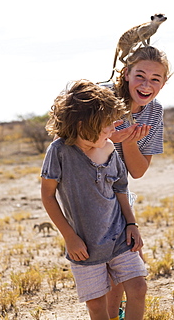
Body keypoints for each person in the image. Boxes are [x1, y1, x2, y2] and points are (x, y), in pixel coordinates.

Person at [40, 79, 148, 320]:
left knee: (139, 288)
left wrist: (132, 224)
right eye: (106, 126)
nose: (112, 131)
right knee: (97, 306)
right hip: (85, 247)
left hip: (120, 236)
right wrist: (70, 237)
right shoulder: (59, 152)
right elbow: (48, 195)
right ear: (82, 125)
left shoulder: (108, 148)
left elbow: (121, 188)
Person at [105, 46, 172, 320]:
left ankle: (117, 314)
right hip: (89, 190)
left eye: (155, 79)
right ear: (125, 74)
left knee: (128, 266)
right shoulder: (103, 101)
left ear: (163, 83)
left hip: (121, 191)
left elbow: (138, 171)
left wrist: (130, 141)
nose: (147, 85)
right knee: (122, 266)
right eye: (140, 75)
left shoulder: (154, 112)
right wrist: (115, 135)